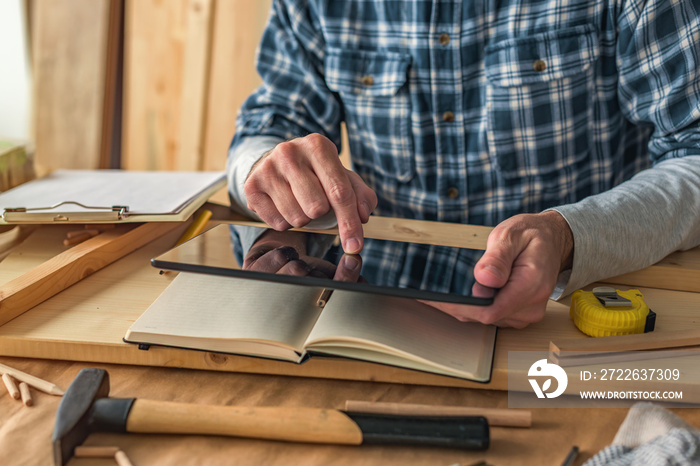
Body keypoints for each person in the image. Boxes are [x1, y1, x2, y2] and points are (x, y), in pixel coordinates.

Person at [227, 0, 700, 328]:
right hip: (366, 306)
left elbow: (693, 152)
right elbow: (269, 127)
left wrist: (568, 235)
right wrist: (264, 167)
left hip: (571, 310)